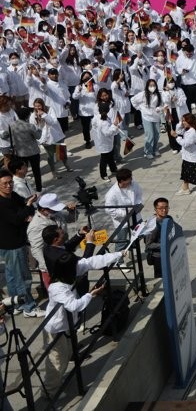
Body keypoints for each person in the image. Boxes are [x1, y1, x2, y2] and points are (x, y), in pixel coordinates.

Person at [41, 253, 107, 394]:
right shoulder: (57, 288)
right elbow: (74, 306)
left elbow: (92, 261)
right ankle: (49, 392)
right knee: (56, 362)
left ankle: (54, 384)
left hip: (65, 326)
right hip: (55, 330)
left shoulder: (65, 276)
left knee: (66, 356)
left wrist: (119, 254)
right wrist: (91, 294)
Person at [0, 168, 43, 316]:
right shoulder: (1, 203)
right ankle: (28, 307)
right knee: (23, 277)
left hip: (12, 242)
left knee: (12, 275)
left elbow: (24, 208)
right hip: (12, 244)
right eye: (5, 183)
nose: (9, 186)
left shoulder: (13, 196)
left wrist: (26, 209)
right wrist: (27, 207)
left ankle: (16, 304)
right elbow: (18, 218)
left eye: (10, 182)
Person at [104, 168, 144, 246]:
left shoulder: (134, 184)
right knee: (121, 243)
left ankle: (130, 247)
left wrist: (138, 204)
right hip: (122, 221)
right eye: (129, 179)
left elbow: (139, 195)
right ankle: (119, 256)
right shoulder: (111, 194)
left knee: (142, 233)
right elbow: (108, 210)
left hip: (136, 216)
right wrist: (125, 213)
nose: (131, 180)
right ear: (122, 181)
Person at [171, 113, 196, 195]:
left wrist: (176, 137)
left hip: (193, 157)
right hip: (187, 156)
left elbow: (185, 143)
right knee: (185, 174)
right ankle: (185, 188)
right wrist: (180, 122)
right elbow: (179, 130)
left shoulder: (193, 132)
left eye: (184, 121)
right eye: (183, 121)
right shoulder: (187, 129)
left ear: (190, 121)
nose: (183, 123)